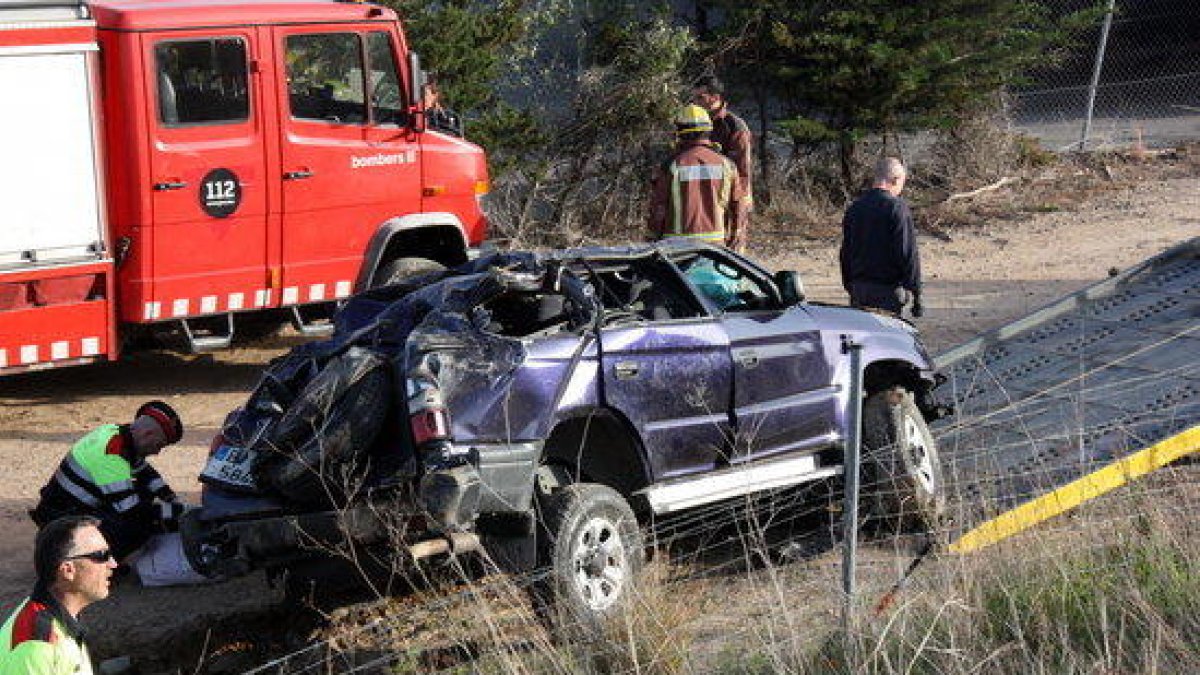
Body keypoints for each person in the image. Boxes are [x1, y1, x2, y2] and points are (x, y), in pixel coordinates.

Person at [30, 401, 187, 561]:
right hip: (63, 526)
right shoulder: (111, 456)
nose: (157, 452)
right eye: (158, 445)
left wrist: (172, 499)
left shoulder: (116, 433)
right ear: (147, 434)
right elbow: (133, 513)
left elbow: (146, 473)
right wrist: (179, 514)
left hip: (66, 511)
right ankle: (98, 563)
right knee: (139, 526)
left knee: (144, 493)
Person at [0, 516, 117, 674]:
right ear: (68, 570)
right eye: (101, 555)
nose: (113, 564)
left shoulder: (61, 611)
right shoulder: (37, 647)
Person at [648, 105, 747, 248]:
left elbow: (659, 208)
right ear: (708, 131)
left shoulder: (671, 165)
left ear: (681, 133)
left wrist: (652, 240)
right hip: (715, 246)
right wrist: (736, 236)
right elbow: (738, 205)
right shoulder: (727, 165)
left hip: (677, 248)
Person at [839, 157, 923, 317]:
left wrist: (850, 285)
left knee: (861, 339)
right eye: (901, 183)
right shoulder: (897, 208)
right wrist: (916, 293)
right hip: (887, 291)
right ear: (895, 179)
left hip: (859, 289)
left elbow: (845, 253)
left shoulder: (854, 208)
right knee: (885, 339)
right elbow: (907, 253)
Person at [692, 75, 753, 251]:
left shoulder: (734, 127)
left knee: (732, 253)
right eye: (694, 98)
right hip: (708, 200)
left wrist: (737, 211)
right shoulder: (695, 124)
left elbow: (742, 173)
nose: (695, 103)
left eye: (700, 98)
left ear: (715, 97)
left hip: (732, 200)